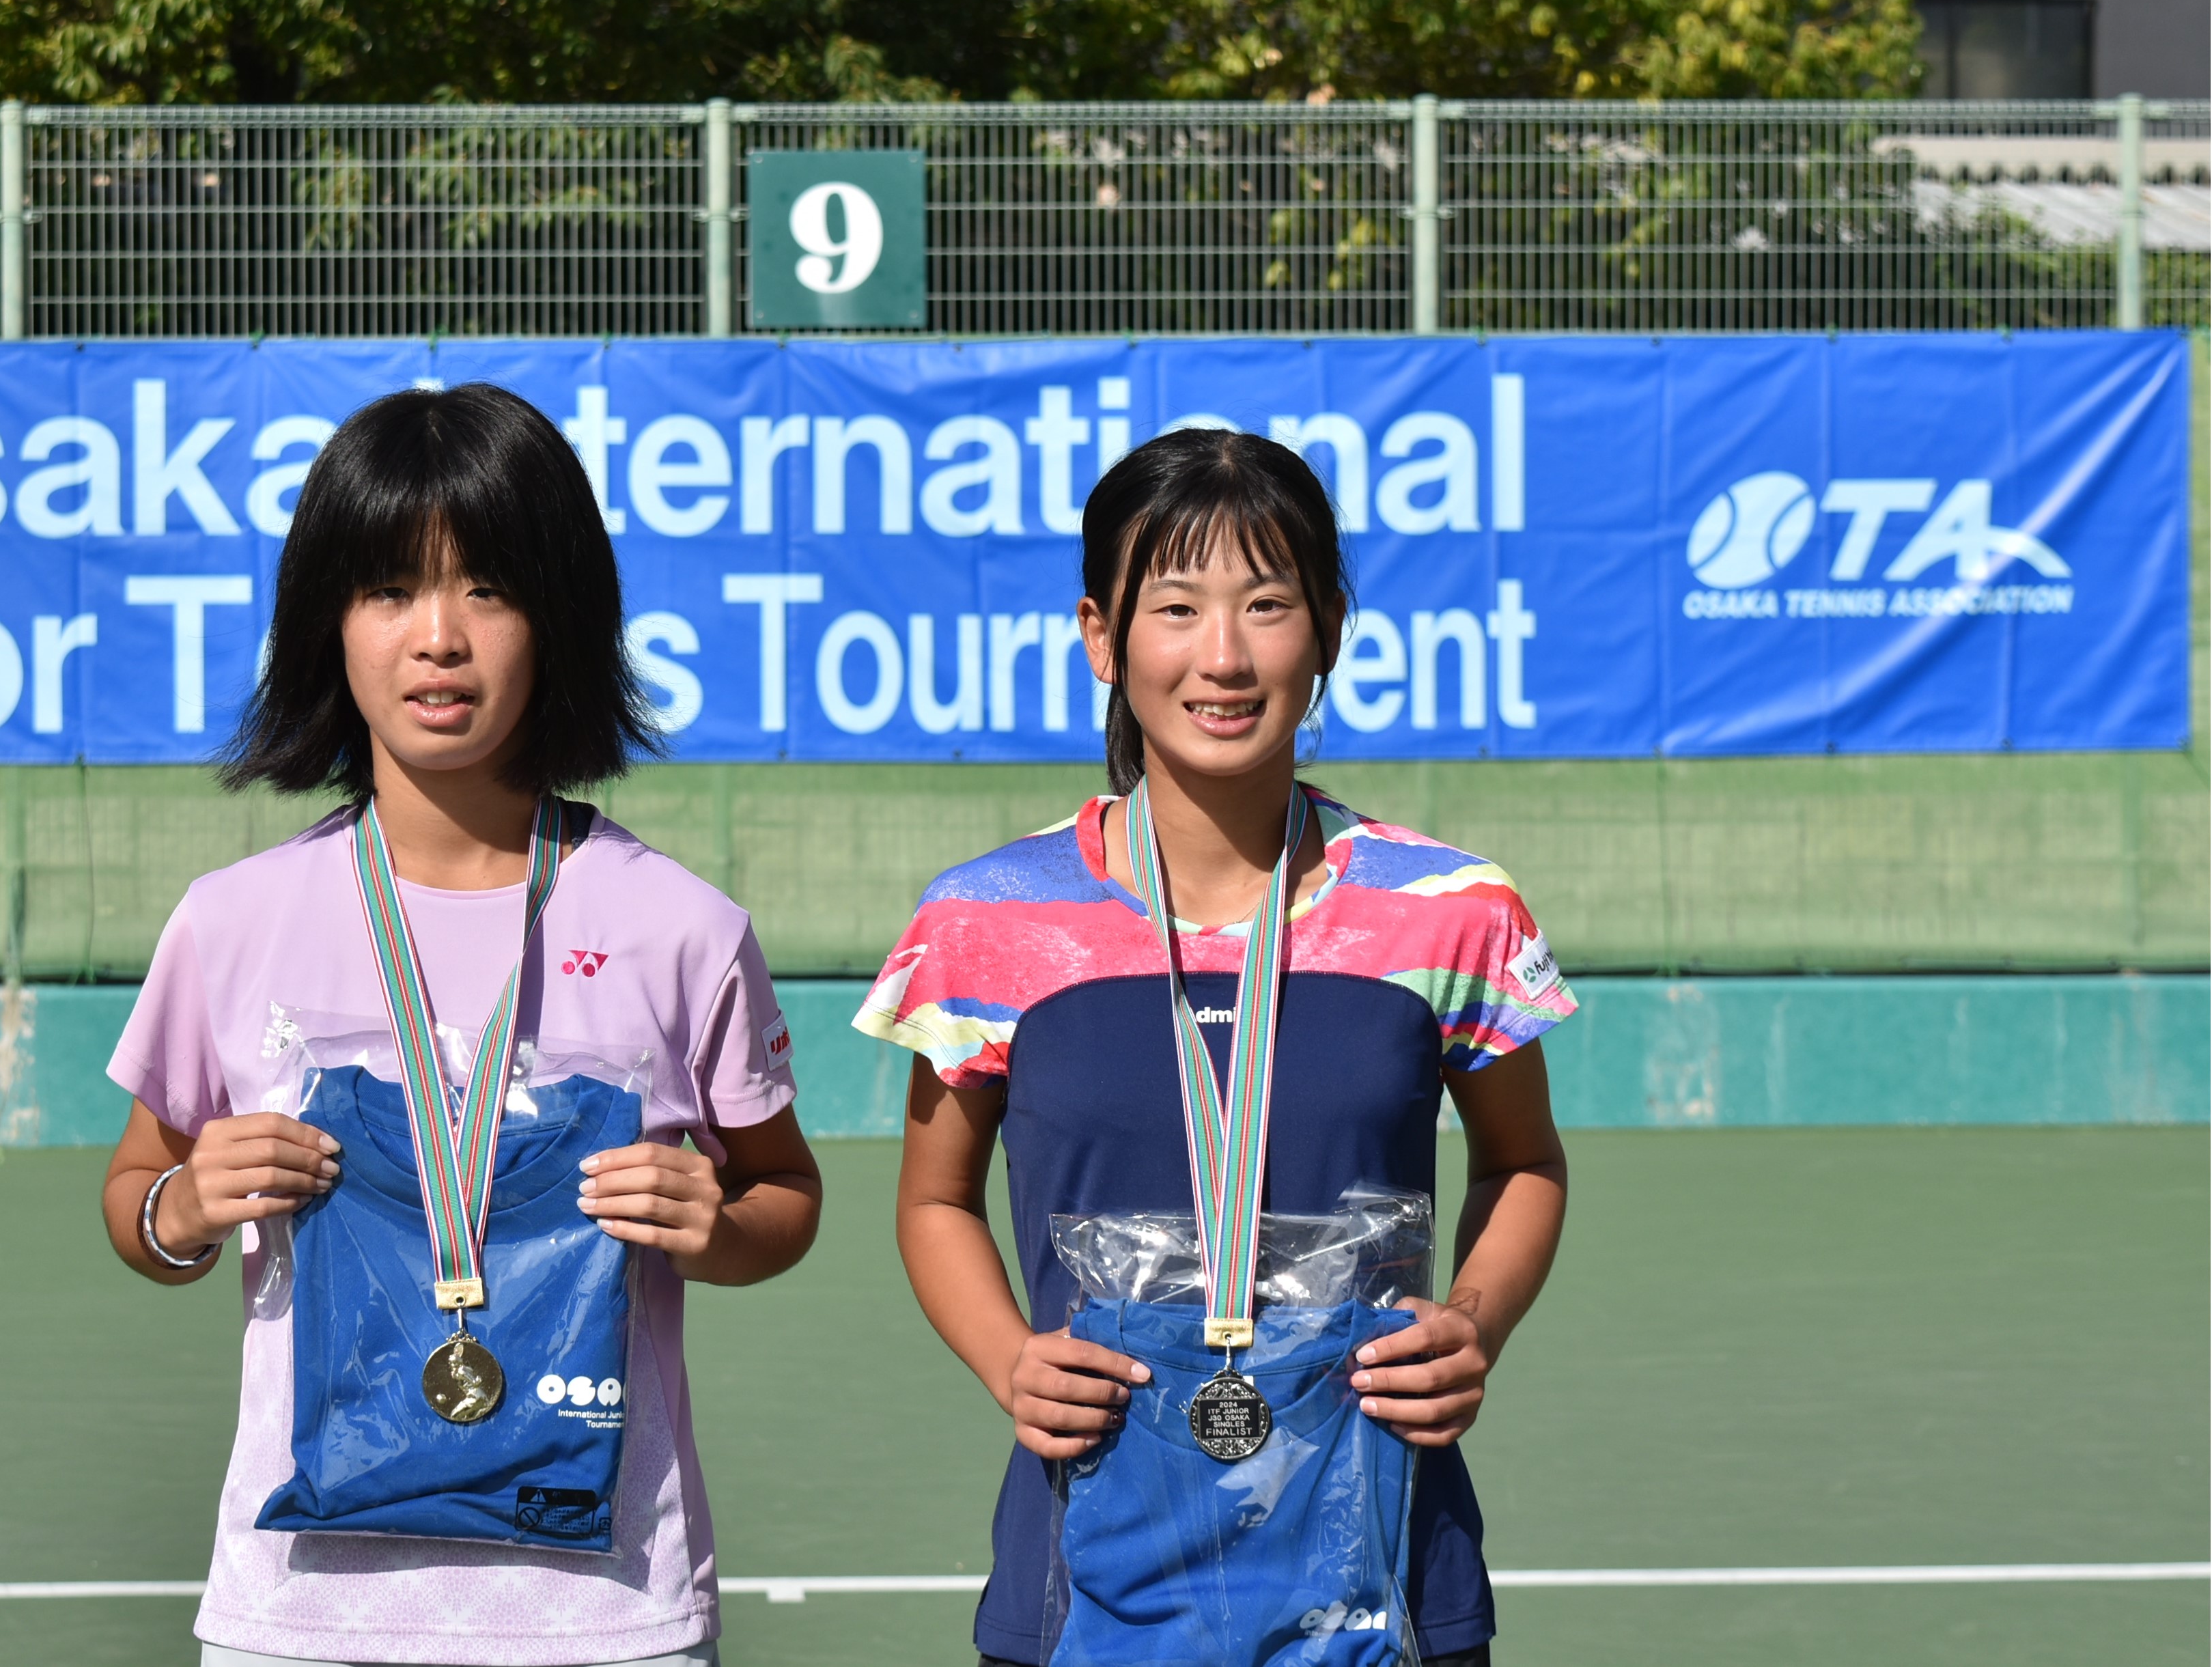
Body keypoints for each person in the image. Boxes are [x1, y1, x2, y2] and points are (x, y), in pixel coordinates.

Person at [101, 382, 822, 1667]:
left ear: (561, 619)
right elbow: (137, 1199)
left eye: (488, 586)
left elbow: (784, 1196)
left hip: (609, 1615)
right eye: (389, 589)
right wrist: (184, 1209)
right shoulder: (233, 921)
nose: (439, 637)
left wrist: (719, 1228)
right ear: (329, 623)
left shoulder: (682, 926)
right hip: (301, 1619)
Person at [860, 425, 1571, 1666]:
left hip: (1387, 1575)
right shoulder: (989, 920)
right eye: (1177, 606)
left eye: (1269, 604)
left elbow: (1524, 1161)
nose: (1226, 655)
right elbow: (933, 1197)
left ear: (1330, 629)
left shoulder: (1450, 905)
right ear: (1101, 634)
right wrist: (1008, 1358)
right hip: (1085, 1576)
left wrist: (1474, 1320)